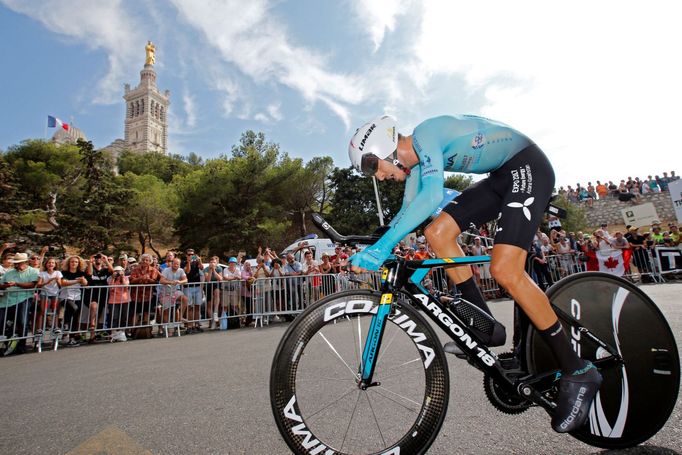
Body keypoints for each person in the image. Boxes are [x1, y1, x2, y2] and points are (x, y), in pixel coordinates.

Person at [347, 114, 601, 433]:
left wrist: (382, 248)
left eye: (371, 167)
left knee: (504, 269)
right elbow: (410, 212)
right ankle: (485, 326)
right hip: (501, 177)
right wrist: (377, 241)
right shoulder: (413, 169)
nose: (377, 177)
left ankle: (578, 370)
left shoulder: (425, 136)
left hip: (527, 167)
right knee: (437, 233)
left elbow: (430, 197)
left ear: (382, 150)